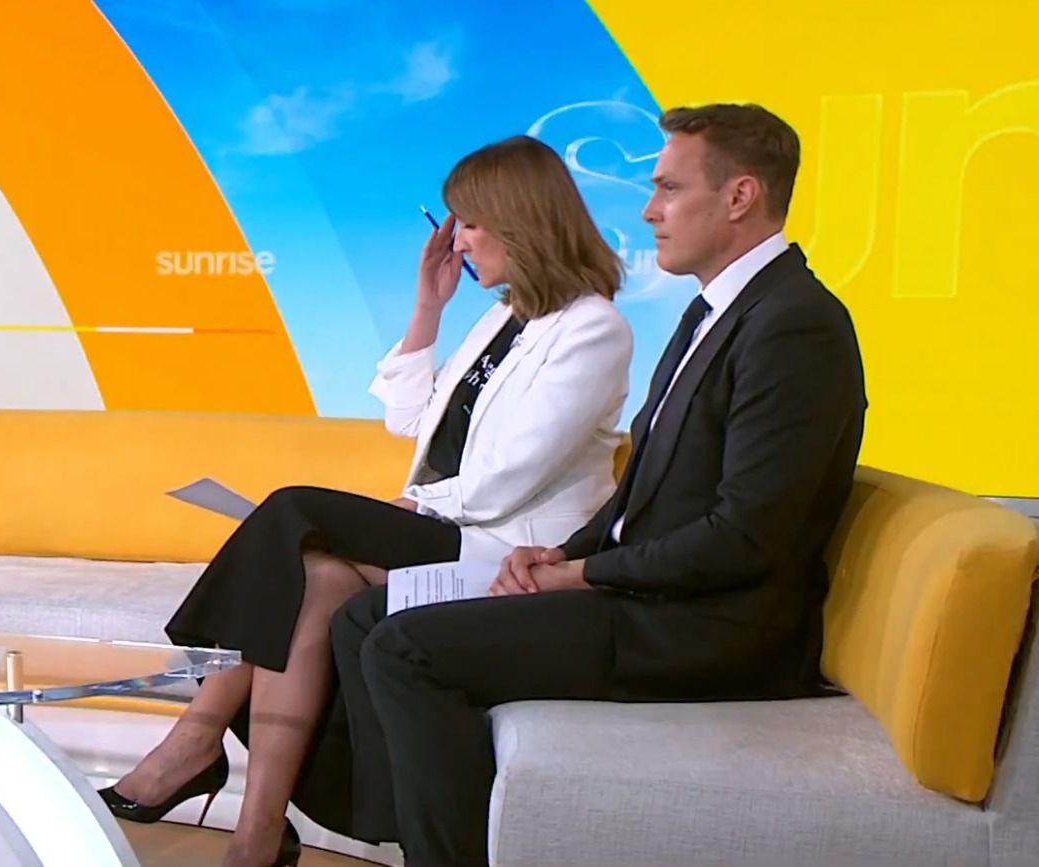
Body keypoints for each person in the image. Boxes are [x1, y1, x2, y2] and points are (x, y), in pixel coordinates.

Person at [323, 103, 868, 866]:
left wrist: (581, 574)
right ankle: (415, 841)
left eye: (668, 188)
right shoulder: (715, 312)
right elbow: (640, 493)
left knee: (405, 647)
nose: (647, 210)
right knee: (365, 616)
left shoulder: (793, 323)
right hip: (652, 597)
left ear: (739, 196)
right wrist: (560, 553)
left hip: (710, 627)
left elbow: (745, 536)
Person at [98, 134, 633, 867]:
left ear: (520, 222)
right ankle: (257, 833)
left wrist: (413, 508)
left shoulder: (594, 328)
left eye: (471, 223)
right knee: (314, 577)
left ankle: (194, 739)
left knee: (290, 511)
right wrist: (427, 308)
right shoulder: (504, 319)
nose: (458, 241)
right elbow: (407, 420)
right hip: (450, 525)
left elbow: (510, 476)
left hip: (505, 553)